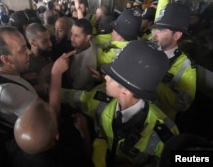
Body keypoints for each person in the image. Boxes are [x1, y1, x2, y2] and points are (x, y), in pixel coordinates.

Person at [50, 40, 179, 167]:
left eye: (113, 77)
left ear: (125, 92)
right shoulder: (99, 100)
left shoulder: (164, 135)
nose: (105, 77)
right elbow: (73, 97)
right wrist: (46, 88)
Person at [9, 98, 93, 167]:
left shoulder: (14, 147)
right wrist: (85, 132)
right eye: (55, 118)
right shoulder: (65, 159)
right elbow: (86, 160)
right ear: (56, 135)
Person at [0, 25, 39, 125]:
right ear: (6, 59)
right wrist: (56, 73)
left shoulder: (4, 74)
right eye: (22, 50)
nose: (29, 52)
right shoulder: (9, 92)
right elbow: (50, 116)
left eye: (26, 46)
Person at [151, 3, 197, 123]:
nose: (155, 34)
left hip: (157, 123)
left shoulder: (186, 67)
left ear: (176, 35)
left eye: (161, 30)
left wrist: (153, 81)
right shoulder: (148, 49)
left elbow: (182, 104)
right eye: (156, 28)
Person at [24, 22, 53, 100]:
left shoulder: (50, 53)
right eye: (45, 41)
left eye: (49, 39)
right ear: (33, 43)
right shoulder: (26, 65)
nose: (50, 44)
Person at [68, 18, 97, 90]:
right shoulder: (89, 41)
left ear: (87, 37)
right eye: (71, 33)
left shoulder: (86, 65)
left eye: (76, 36)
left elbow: (75, 87)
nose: (71, 38)